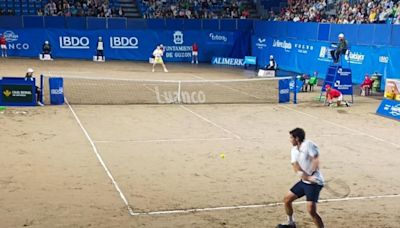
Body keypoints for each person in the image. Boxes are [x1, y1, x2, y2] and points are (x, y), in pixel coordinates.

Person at [278, 128, 325, 228]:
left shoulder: (308, 145)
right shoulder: (294, 150)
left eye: (291, 137)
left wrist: (312, 173)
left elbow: (315, 159)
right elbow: (295, 165)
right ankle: (291, 223)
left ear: (297, 138)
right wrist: (304, 176)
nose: (290, 140)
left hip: (314, 183)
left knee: (311, 210)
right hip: (305, 181)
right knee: (287, 199)